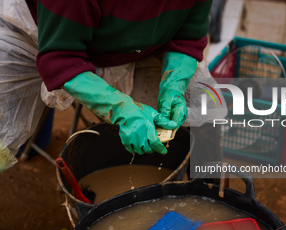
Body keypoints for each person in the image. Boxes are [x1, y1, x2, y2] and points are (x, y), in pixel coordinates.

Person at [24, 0, 214, 156]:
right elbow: (60, 59)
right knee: (5, 137)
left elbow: (188, 36)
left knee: (206, 110)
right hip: (41, 31)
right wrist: (119, 108)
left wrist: (174, 84)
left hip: (147, 42)